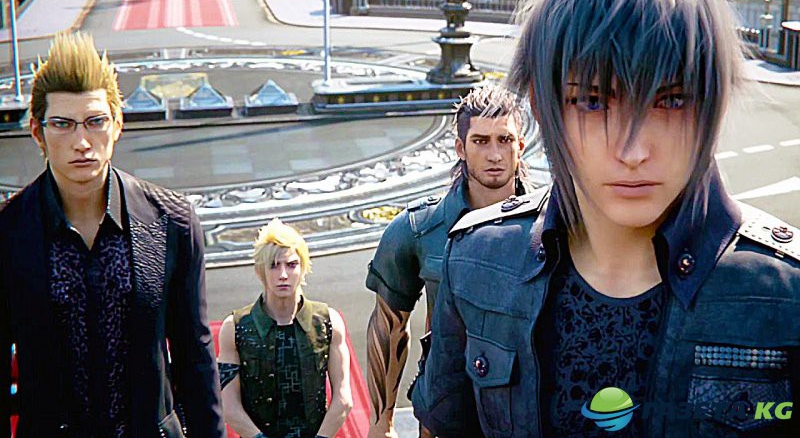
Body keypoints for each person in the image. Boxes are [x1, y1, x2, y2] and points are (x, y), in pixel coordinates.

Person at [412, 0, 800, 437]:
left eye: (672, 100)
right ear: (543, 106)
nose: (633, 151)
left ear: (715, 102)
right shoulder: (477, 260)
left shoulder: (788, 293)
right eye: (593, 102)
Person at [0, 32, 224, 437]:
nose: (82, 142)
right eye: (63, 124)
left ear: (117, 124)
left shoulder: (172, 221)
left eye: (95, 121)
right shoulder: (9, 232)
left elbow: (195, 357)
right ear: (37, 132)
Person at [366, 85, 537, 438]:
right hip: (446, 412)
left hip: (527, 410)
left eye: (505, 140)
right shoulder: (418, 229)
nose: (495, 154)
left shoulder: (553, 226)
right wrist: (382, 422)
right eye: (481, 141)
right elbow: (388, 326)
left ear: (520, 146)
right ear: (460, 148)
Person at [217, 218, 352, 438]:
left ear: (303, 267)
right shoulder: (235, 327)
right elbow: (229, 406)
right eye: (273, 265)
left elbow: (343, 399)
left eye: (291, 265)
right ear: (260, 270)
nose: (283, 275)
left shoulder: (328, 322)